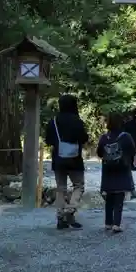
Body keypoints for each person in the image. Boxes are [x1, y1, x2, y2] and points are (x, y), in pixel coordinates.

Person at [45, 94, 89, 230]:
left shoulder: (53, 121)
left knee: (61, 189)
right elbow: (84, 138)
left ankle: (61, 218)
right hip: (75, 159)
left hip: (58, 158)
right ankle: (70, 210)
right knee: (79, 186)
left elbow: (48, 140)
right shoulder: (77, 121)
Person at [97, 112, 135, 233]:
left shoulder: (104, 137)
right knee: (119, 198)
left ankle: (108, 223)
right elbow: (133, 151)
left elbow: (99, 153)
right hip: (122, 169)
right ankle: (116, 224)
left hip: (108, 170)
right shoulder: (126, 136)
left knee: (109, 197)